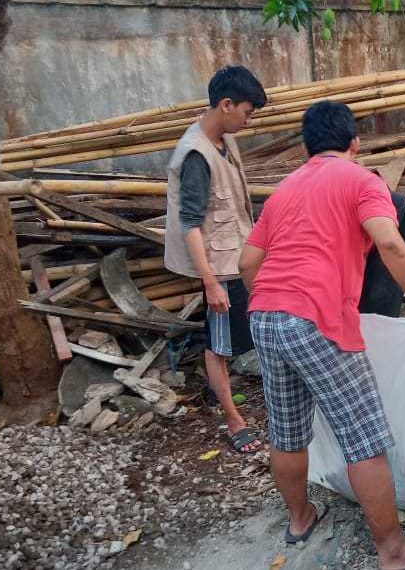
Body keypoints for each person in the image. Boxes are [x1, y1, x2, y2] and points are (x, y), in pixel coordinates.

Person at [237, 101, 405, 570]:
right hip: (316, 320)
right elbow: (390, 240)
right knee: (363, 439)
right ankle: (396, 552)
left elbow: (246, 265)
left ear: (305, 147)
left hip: (263, 317)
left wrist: (278, 303)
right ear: (354, 143)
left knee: (287, 431)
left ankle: (300, 519)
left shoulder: (283, 190)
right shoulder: (362, 180)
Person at [164, 65, 266, 454]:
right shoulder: (195, 154)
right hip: (219, 267)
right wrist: (209, 283)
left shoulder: (224, 138)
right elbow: (190, 222)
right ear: (226, 104)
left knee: (240, 334)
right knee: (219, 345)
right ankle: (233, 420)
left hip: (239, 255)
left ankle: (227, 399)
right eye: (246, 111)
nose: (248, 119)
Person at [359, 192, 405, 317]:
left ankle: (381, 328)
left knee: (379, 291)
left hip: (403, 218)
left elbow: (391, 246)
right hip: (374, 220)